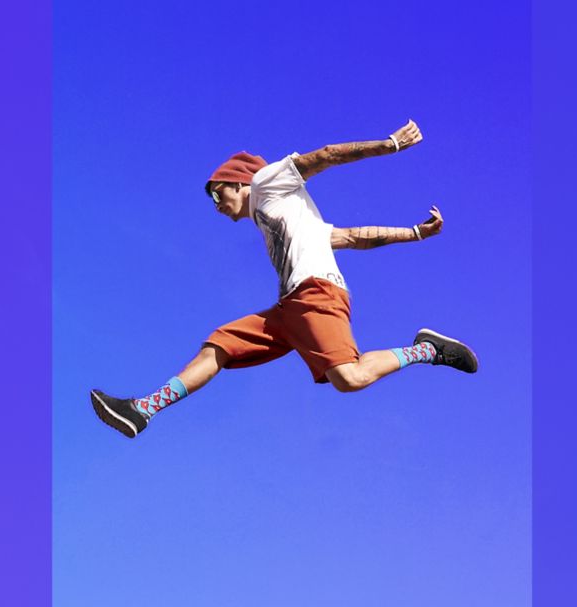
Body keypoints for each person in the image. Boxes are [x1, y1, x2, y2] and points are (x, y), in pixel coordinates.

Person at [89, 119, 479, 438]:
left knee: (350, 378)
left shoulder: (265, 183)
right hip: (288, 309)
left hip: (317, 294)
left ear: (238, 182)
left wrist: (389, 144)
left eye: (218, 194)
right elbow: (352, 237)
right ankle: (143, 409)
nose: (217, 205)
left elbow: (326, 156)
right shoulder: (286, 217)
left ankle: (426, 349)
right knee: (218, 347)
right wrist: (414, 233)